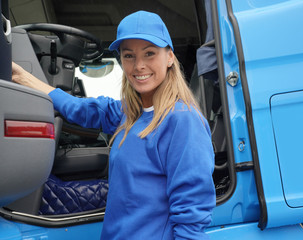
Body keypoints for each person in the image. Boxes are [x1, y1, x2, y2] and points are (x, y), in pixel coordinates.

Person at [12, 10, 216, 240]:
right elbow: (79, 108)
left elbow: (191, 217)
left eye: (150, 53)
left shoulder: (182, 120)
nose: (139, 65)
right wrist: (21, 77)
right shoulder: (128, 112)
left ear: (169, 57)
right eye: (129, 56)